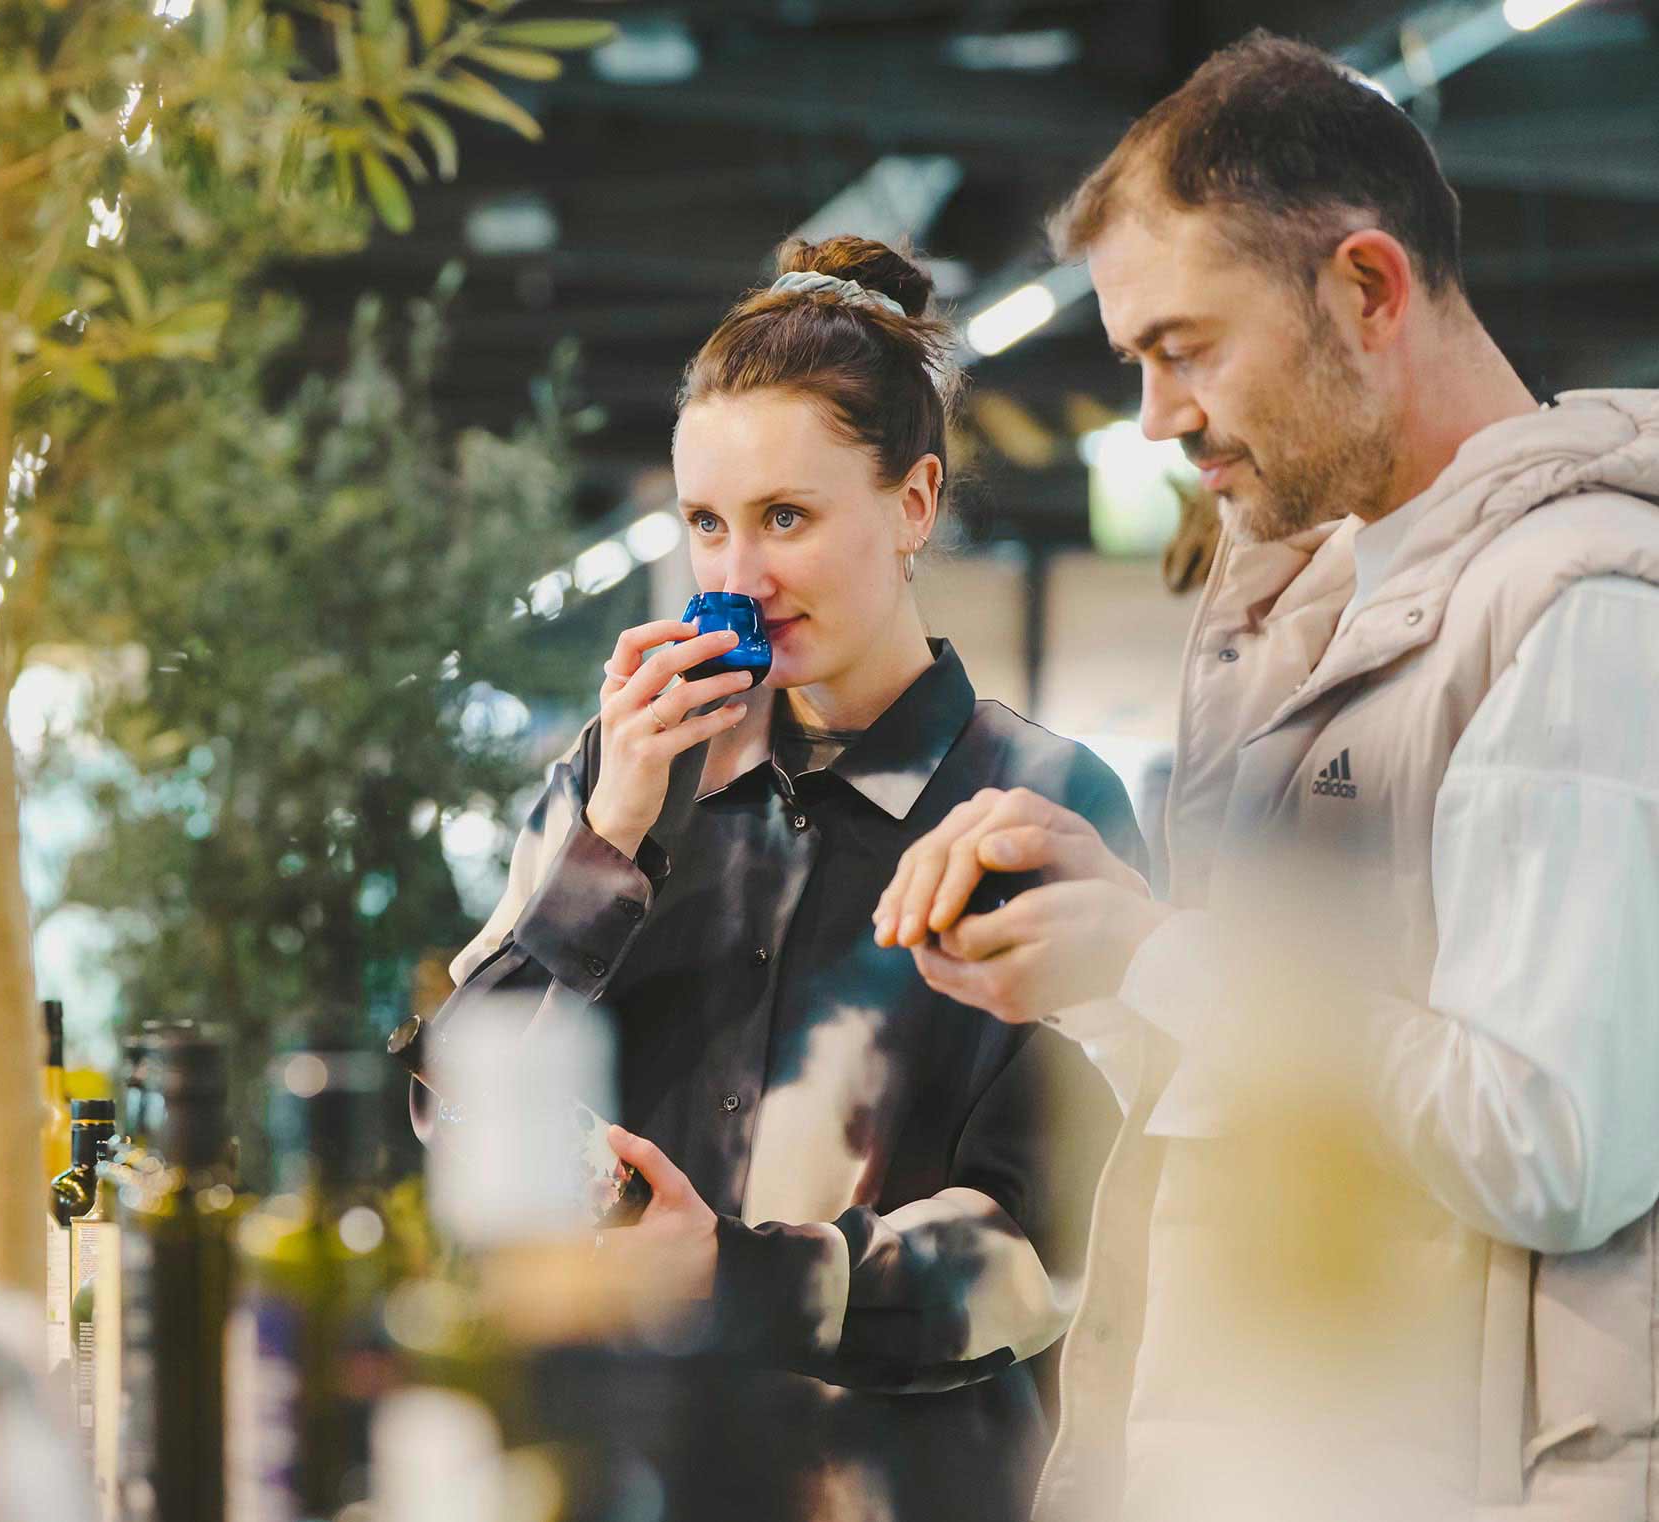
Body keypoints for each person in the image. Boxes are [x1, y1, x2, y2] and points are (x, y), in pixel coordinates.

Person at [876, 34, 1659, 1521]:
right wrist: (1096, 955)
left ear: (1368, 289)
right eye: (1139, 363)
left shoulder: (1579, 618)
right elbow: (1286, 1086)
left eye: (1187, 346)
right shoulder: (1324, 612)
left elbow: (1551, 1142)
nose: (1160, 415)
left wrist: (1170, 955)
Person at [394, 236, 1144, 1522]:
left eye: (785, 518)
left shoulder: (1038, 808)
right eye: (705, 523)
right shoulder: (622, 778)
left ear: (914, 503)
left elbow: (1051, 1243)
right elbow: (458, 1118)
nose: (737, 576)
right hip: (616, 1471)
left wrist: (733, 1277)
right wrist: (607, 838)